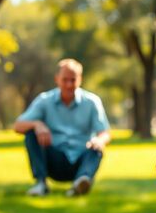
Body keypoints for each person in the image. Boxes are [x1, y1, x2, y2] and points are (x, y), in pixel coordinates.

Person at [14, 58, 111, 197]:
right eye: (65, 80)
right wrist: (37, 124)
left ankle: (80, 183)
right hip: (54, 159)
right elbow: (18, 125)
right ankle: (40, 184)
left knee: (97, 148)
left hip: (81, 160)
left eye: (73, 80)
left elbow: (105, 132)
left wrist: (100, 140)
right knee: (31, 134)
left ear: (80, 79)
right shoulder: (44, 100)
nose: (69, 84)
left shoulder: (92, 102)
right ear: (56, 79)